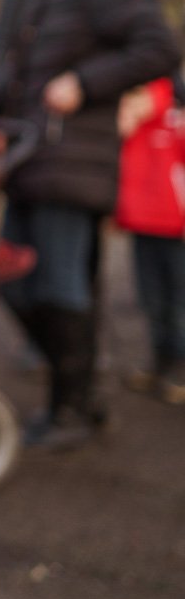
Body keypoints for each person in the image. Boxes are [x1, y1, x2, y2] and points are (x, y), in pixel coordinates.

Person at [0, 0, 182, 449]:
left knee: (58, 281)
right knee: (18, 280)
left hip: (73, 159)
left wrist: (84, 83)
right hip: (33, 155)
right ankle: (83, 393)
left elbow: (159, 47)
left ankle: (71, 409)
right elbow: (27, 68)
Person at [115, 77, 185, 404]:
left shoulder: (172, 114)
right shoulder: (135, 121)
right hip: (143, 221)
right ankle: (160, 363)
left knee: (178, 302)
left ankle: (178, 368)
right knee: (152, 299)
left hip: (176, 224)